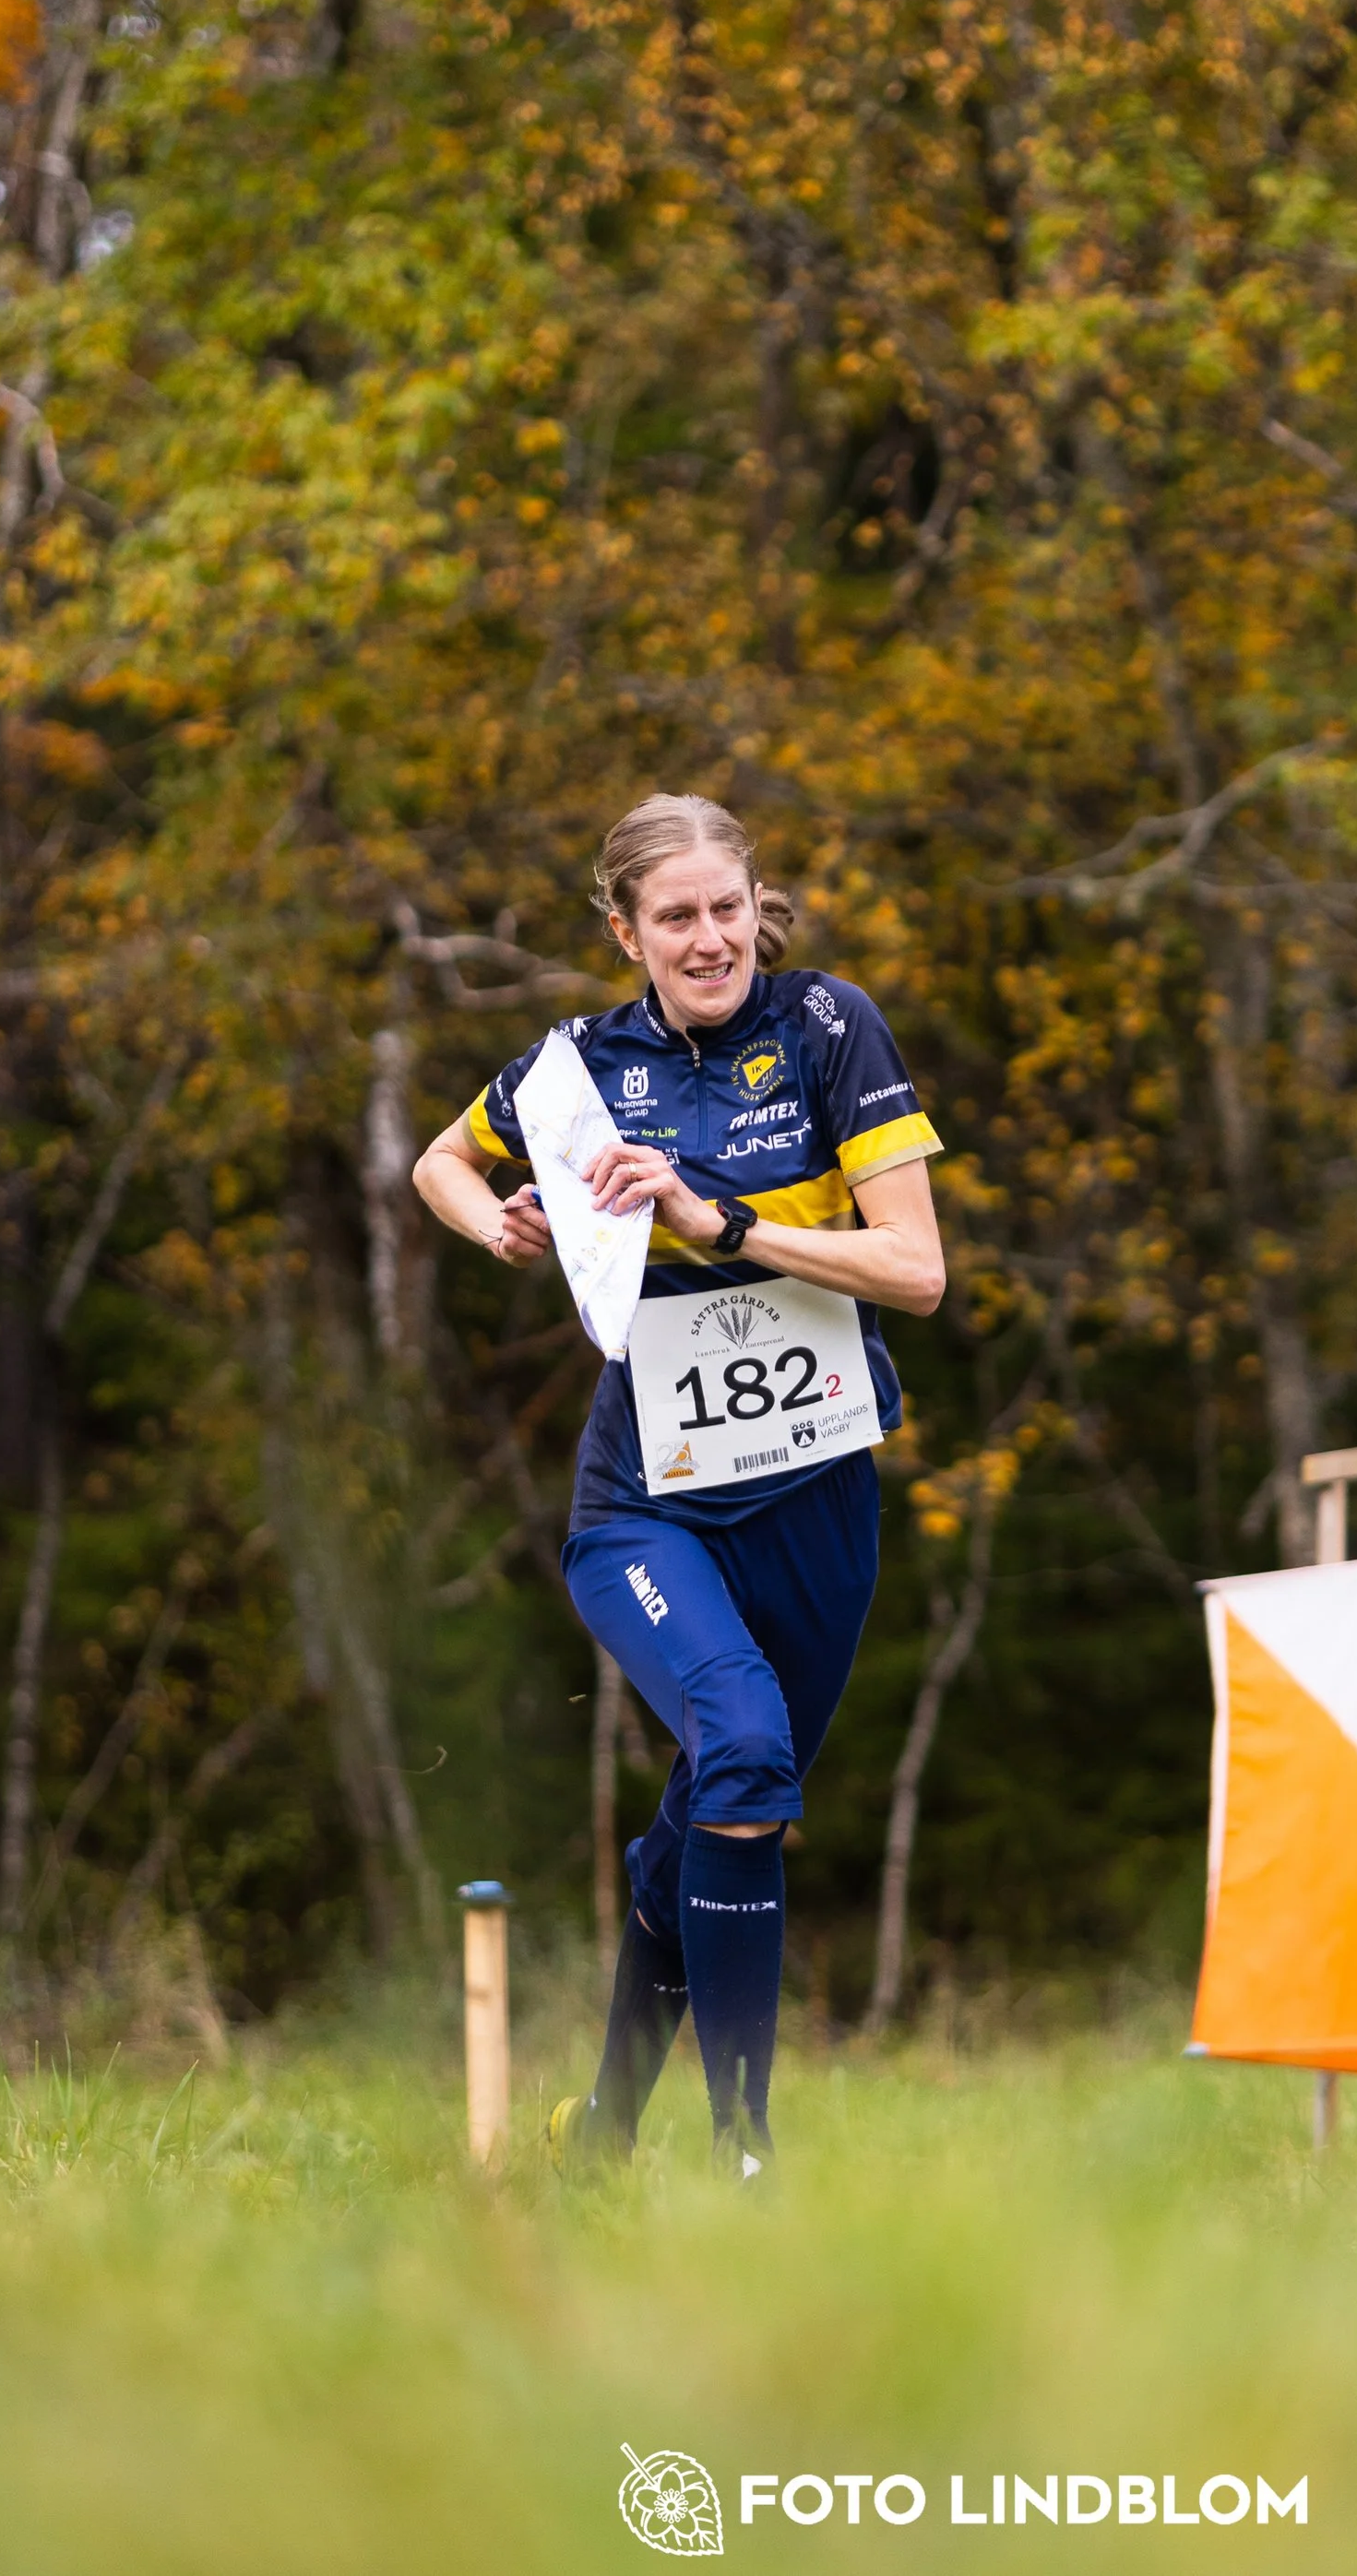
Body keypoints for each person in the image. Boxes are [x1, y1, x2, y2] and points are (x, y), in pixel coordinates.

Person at [412, 793, 945, 2175]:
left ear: (756, 904)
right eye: (675, 919)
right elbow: (439, 1162)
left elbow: (918, 1272)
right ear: (625, 933)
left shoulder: (829, 1029)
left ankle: (596, 2139)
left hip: (818, 1493)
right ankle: (744, 2153)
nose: (709, 940)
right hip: (645, 1505)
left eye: (727, 909)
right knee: (748, 1754)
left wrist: (729, 1222)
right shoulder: (576, 1069)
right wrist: (502, 1227)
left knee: (719, 1807)